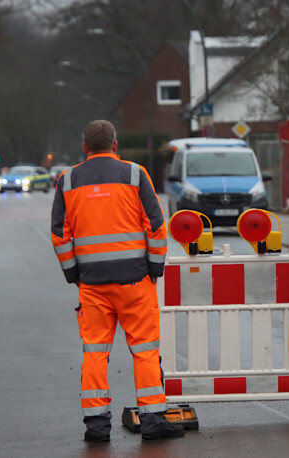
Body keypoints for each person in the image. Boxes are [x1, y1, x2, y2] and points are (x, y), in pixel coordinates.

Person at [50, 120, 184, 442]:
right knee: (145, 351)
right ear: (115, 145)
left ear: (85, 147)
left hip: (94, 286)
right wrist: (154, 268)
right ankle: (152, 421)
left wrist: (74, 273)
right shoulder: (135, 174)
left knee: (95, 353)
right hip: (135, 282)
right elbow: (155, 226)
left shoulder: (67, 180)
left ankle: (96, 427)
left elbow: (59, 234)